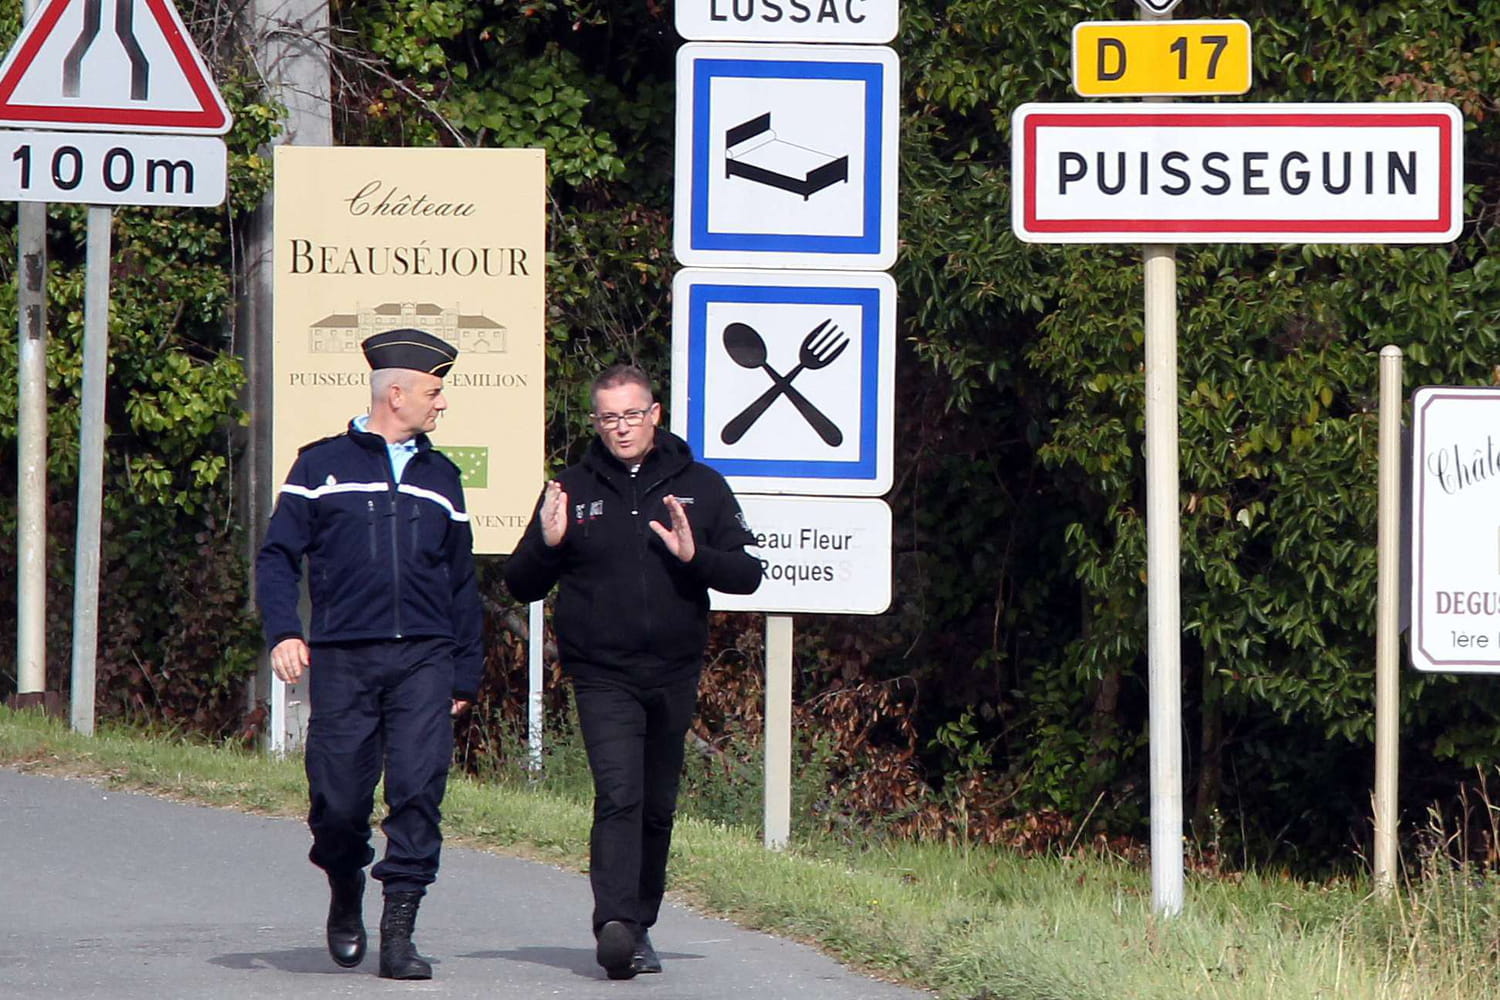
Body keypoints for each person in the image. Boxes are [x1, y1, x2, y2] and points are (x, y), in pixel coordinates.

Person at [504, 363, 762, 979]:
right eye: (608, 417)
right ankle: (614, 926)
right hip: (601, 671)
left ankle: (640, 921)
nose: (621, 428)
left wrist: (695, 554)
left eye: (631, 415)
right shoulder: (570, 487)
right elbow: (521, 582)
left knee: (657, 806)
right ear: (596, 421)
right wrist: (548, 542)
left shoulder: (701, 484)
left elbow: (747, 573)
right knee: (619, 794)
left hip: (674, 668)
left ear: (656, 414)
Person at [255, 328, 483, 981]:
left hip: (423, 660)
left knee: (417, 791)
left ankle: (400, 933)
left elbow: (462, 583)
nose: (442, 405)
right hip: (345, 657)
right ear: (397, 392)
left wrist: (465, 670)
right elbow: (277, 557)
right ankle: (346, 888)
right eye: (435, 393)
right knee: (339, 801)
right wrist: (284, 630)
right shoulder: (319, 465)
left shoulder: (443, 476)